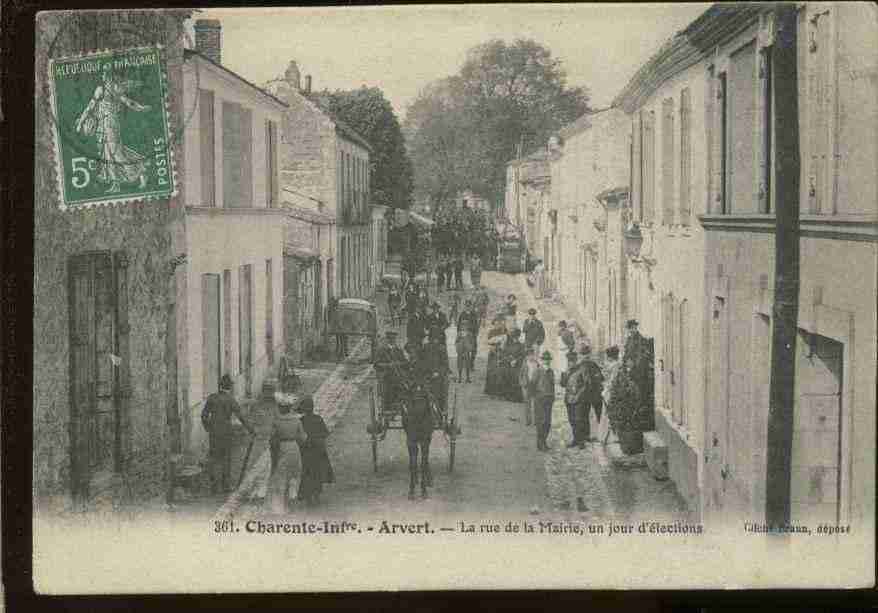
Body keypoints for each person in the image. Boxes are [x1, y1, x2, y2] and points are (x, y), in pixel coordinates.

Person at [201, 374, 254, 495]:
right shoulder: (231, 400)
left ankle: (214, 487)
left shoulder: (212, 398)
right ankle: (225, 485)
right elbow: (241, 417)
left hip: (214, 433)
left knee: (214, 458)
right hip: (226, 432)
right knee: (226, 458)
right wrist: (251, 429)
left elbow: (204, 416)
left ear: (220, 385)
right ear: (229, 387)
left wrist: (208, 428)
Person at [264, 379, 308, 514]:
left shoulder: (277, 422)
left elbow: (272, 438)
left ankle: (281, 507)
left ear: (281, 408)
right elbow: (303, 438)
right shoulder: (296, 420)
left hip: (282, 449)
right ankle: (292, 503)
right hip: (294, 448)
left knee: (281, 478)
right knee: (294, 477)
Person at [296, 395, 335, 506]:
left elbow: (298, 437)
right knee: (317, 473)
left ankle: (308, 497)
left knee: (307, 473)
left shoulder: (301, 421)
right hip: (318, 450)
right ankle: (316, 495)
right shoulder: (318, 419)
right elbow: (325, 434)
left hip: (307, 451)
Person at [573, 345, 605, 447]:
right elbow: (599, 378)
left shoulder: (587, 365)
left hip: (591, 394)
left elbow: (599, 377)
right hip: (589, 394)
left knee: (593, 415)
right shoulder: (586, 365)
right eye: (584, 354)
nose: (585, 356)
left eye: (586, 354)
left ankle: (600, 436)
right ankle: (590, 436)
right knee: (586, 416)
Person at [375, 330, 408, 413]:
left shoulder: (398, 350)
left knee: (405, 383)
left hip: (398, 375)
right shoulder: (381, 350)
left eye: (393, 338)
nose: (392, 340)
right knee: (388, 384)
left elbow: (405, 362)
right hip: (386, 375)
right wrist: (388, 365)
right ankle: (388, 405)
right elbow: (376, 364)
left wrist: (398, 363)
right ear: (387, 339)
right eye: (390, 339)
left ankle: (402, 402)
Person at [534, 351, 555, 451]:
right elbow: (532, 385)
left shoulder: (551, 372)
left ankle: (544, 442)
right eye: (545, 359)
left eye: (548, 360)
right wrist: (536, 397)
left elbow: (552, 385)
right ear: (542, 360)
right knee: (541, 422)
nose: (546, 361)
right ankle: (540, 443)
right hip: (540, 399)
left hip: (549, 399)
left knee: (547, 422)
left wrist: (552, 396)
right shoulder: (538, 371)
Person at [600, 345, 621, 444]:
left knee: (610, 413)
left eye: (608, 356)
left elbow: (612, 381)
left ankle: (611, 437)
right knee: (608, 413)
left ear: (611, 356)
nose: (607, 358)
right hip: (608, 391)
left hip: (611, 391)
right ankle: (607, 436)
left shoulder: (615, 365)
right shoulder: (613, 365)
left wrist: (606, 387)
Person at [561, 351, 581, 447]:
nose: (570, 363)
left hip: (578, 399)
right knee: (572, 420)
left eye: (572, 361)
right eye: (569, 361)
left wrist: (579, 395)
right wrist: (564, 373)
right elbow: (563, 384)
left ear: (576, 361)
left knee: (578, 420)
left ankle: (580, 441)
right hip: (568, 399)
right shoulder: (567, 370)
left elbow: (585, 385)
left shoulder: (580, 370)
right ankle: (575, 439)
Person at [500, 328, 525, 402]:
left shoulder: (521, 346)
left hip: (517, 365)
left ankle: (516, 397)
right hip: (508, 364)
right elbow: (504, 354)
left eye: (516, 337)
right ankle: (508, 395)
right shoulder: (508, 345)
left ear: (518, 337)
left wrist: (516, 360)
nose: (515, 339)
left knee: (516, 379)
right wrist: (509, 359)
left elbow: (522, 355)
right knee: (507, 377)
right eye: (514, 337)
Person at [484, 315, 507, 396]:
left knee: (501, 371)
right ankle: (491, 390)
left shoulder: (504, 331)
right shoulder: (491, 332)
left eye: (500, 323)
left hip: (502, 353)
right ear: (494, 324)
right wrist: (492, 348)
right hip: (493, 353)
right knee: (492, 371)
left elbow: (506, 341)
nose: (498, 324)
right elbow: (488, 342)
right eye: (496, 323)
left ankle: (500, 391)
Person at [518, 347, 540, 426]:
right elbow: (520, 374)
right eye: (529, 355)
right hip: (526, 385)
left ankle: (535, 421)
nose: (531, 357)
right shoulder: (524, 364)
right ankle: (528, 420)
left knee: (535, 404)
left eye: (532, 355)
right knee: (527, 404)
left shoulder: (536, 364)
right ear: (527, 356)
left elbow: (539, 375)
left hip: (534, 385)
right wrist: (522, 383)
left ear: (534, 355)